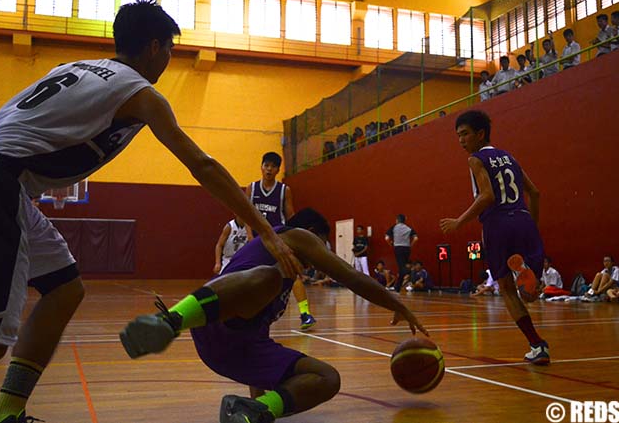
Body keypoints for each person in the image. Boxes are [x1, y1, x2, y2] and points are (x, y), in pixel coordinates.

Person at [0, 0, 298, 423]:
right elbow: (202, 165)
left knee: (66, 288)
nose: (168, 60)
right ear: (153, 47)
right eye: (169, 50)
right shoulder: (140, 93)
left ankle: (5, 414)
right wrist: (265, 229)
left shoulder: (73, 69)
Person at [120, 208, 428, 423]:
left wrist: (262, 392)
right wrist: (395, 303)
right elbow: (350, 276)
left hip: (236, 348)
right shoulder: (295, 237)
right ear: (311, 234)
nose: (319, 259)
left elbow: (258, 336)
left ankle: (254, 412)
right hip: (213, 317)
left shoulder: (285, 278)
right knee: (267, 277)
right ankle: (170, 321)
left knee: (328, 378)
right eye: (323, 243)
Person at [440, 110, 549, 365]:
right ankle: (525, 270)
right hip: (523, 219)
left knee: (508, 291)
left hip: (497, 224)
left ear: (480, 134)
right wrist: (530, 225)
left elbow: (487, 196)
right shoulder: (510, 158)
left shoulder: (476, 159)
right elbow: (535, 193)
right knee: (529, 295)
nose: (461, 141)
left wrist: (459, 221)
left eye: (465, 134)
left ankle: (537, 345)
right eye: (458, 136)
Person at [246, 152, 316, 330]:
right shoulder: (252, 188)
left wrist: (295, 239)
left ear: (277, 170)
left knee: (292, 273)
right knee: (253, 278)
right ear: (261, 167)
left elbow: (291, 216)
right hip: (257, 241)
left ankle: (305, 314)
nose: (269, 169)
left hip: (279, 240)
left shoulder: (285, 190)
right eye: (266, 165)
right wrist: (249, 236)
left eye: (273, 166)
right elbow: (245, 214)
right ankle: (252, 315)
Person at [385, 214, 418, 290]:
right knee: (402, 268)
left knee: (402, 268)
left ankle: (412, 271)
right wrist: (410, 245)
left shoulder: (394, 227)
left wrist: (390, 244)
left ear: (397, 220)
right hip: (407, 248)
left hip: (398, 248)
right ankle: (397, 287)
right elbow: (416, 238)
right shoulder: (408, 228)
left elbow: (386, 238)